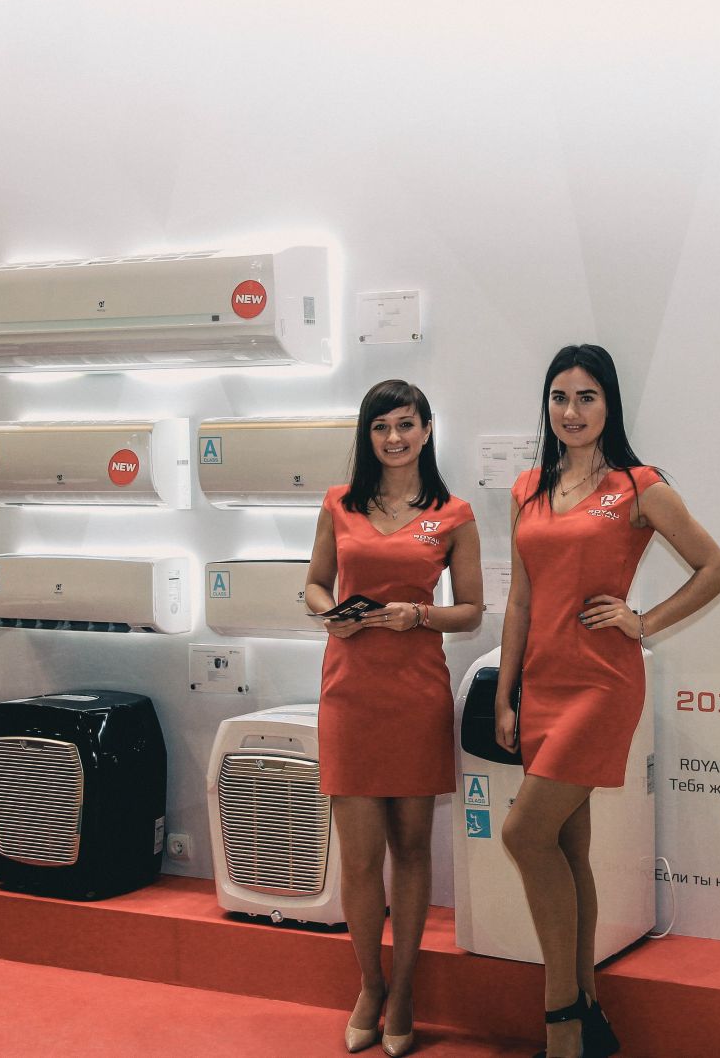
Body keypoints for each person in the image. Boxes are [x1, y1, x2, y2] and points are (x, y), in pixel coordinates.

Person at [495, 345, 720, 1058]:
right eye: (560, 397)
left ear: (610, 405)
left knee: (523, 835)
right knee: (567, 849)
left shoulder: (638, 486)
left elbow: (716, 569)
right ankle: (590, 1012)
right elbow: (521, 600)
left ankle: (561, 1023)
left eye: (587, 397)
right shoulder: (527, 488)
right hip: (541, 684)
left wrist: (643, 621)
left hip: (602, 684)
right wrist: (506, 693)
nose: (571, 411)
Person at [305, 379, 482, 1057]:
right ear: (368, 434)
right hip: (349, 693)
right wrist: (328, 614)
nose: (394, 438)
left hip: (415, 695)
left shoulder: (453, 513)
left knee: (411, 849)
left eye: (405, 424)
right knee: (359, 860)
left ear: (427, 430)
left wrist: (421, 615)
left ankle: (404, 990)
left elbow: (472, 610)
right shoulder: (339, 504)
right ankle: (370, 985)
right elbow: (315, 584)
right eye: (381, 427)